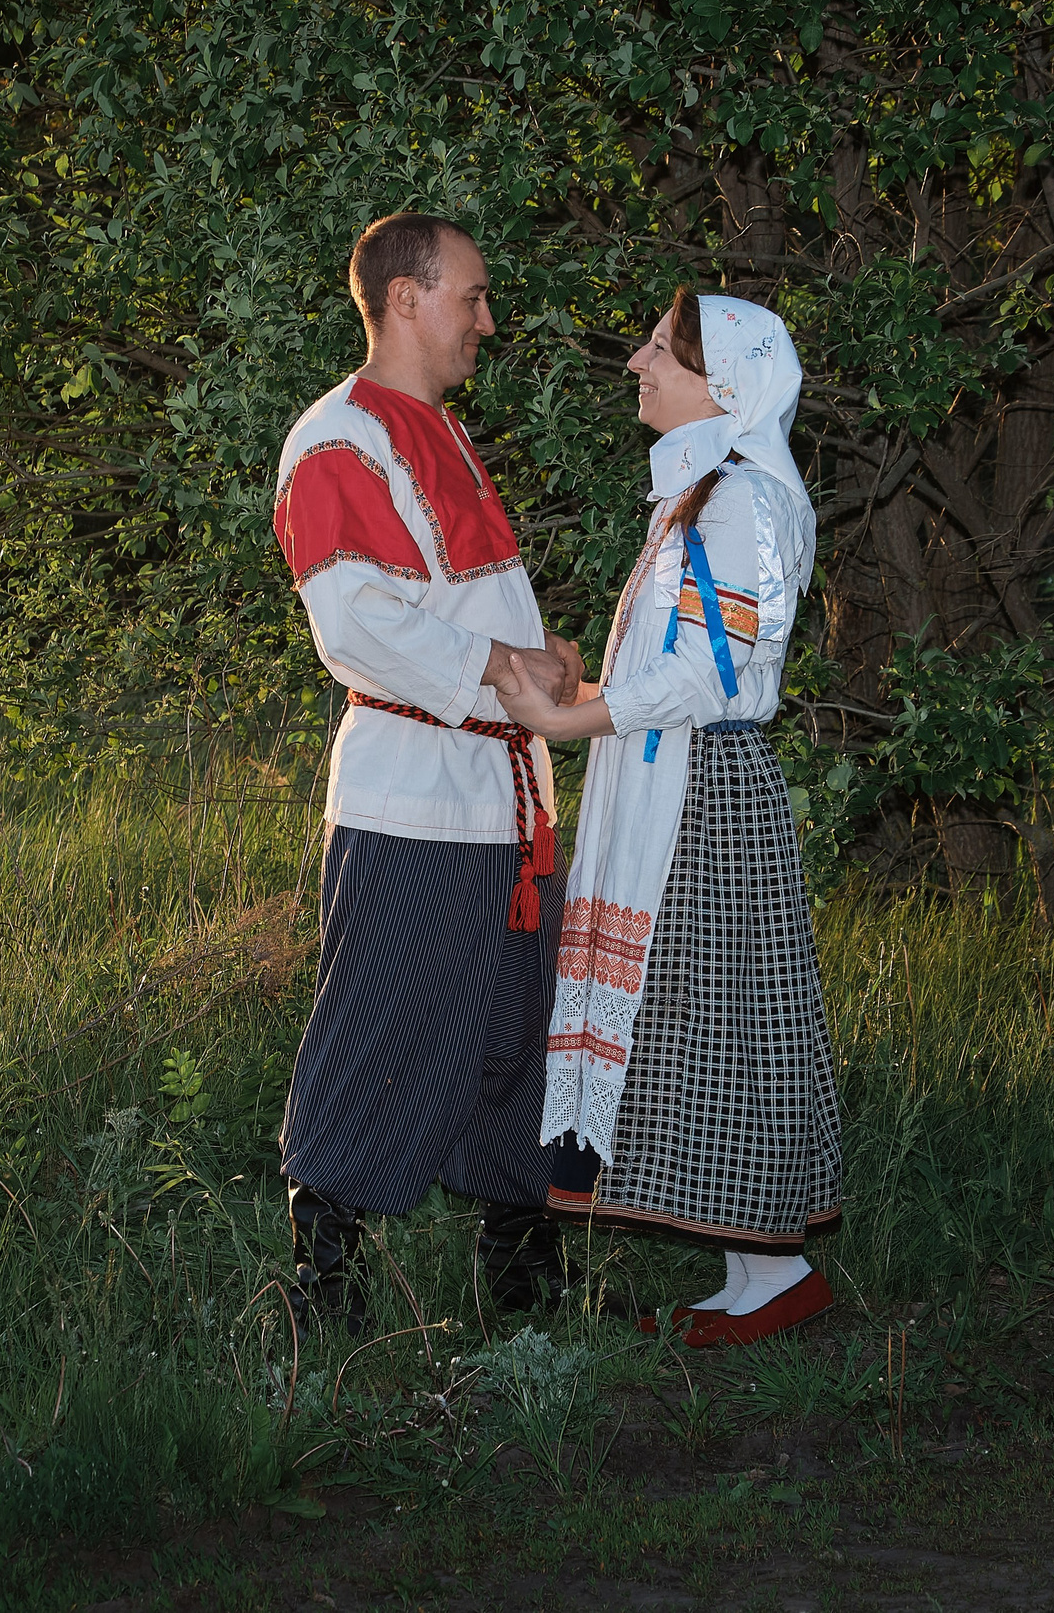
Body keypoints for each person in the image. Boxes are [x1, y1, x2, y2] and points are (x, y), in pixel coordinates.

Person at [495, 289, 843, 1348]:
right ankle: (755, 1271)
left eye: (661, 349)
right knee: (706, 1017)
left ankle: (771, 1270)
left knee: (714, 1011)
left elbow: (709, 677)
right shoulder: (704, 496)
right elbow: (678, 667)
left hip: (704, 793)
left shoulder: (741, 502)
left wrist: (566, 719)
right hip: (673, 780)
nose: (637, 362)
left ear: (723, 383)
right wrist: (590, 693)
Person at [269, 212, 587, 1332]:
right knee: (383, 1029)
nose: (486, 321)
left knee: (517, 1029)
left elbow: (465, 611)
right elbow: (356, 622)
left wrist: (542, 662)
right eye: (472, 296)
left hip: (504, 797)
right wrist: (508, 666)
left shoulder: (442, 434)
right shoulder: (338, 440)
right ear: (405, 298)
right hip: (410, 795)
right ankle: (325, 1288)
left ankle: (519, 1270)